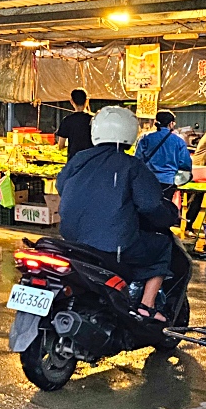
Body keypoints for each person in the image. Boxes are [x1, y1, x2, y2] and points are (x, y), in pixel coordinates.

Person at [57, 106, 179, 321]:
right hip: (114, 247)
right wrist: (169, 215)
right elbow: (150, 205)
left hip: (73, 242)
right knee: (162, 246)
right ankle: (147, 306)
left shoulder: (78, 160)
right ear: (130, 133)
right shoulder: (132, 165)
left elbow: (60, 186)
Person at [135, 110, 193, 202]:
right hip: (168, 182)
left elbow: (137, 160)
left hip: (147, 180)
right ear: (171, 124)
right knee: (164, 207)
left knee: (146, 208)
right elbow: (185, 164)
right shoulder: (179, 141)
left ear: (155, 122)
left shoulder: (145, 138)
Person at [55, 88, 93, 160]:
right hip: (91, 160)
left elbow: (61, 145)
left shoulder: (67, 120)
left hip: (74, 160)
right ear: (87, 101)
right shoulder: (94, 119)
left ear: (71, 101)